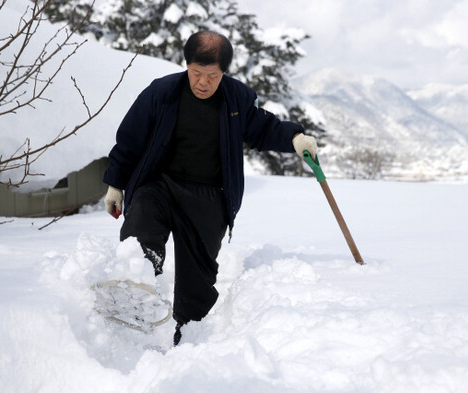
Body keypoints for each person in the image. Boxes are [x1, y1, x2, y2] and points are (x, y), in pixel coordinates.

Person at [102, 31, 317, 345]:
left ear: (224, 73)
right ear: (187, 65)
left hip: (208, 197)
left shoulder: (236, 98)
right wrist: (116, 185)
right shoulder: (162, 92)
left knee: (197, 281)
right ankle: (133, 294)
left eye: (212, 76)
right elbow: (130, 140)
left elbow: (262, 128)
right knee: (141, 228)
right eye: (196, 73)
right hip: (159, 184)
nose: (202, 82)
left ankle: (187, 339)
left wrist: (294, 139)